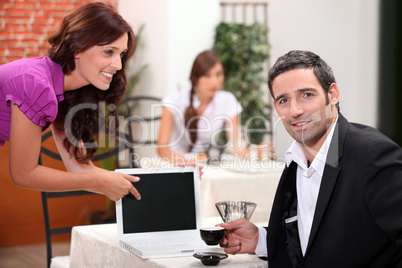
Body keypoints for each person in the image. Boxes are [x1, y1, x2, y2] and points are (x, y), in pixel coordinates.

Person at [218, 50, 402, 267]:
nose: (295, 110)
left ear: (332, 94)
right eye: (284, 100)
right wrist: (261, 240)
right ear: (277, 107)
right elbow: (313, 240)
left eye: (307, 95)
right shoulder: (295, 161)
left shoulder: (372, 154)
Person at [0, 3, 141, 202]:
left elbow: (79, 167)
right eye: (109, 52)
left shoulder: (67, 93)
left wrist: (176, 175)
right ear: (77, 48)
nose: (118, 65)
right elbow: (24, 174)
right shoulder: (35, 84)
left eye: (122, 54)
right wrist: (98, 182)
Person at [157, 50, 246, 163]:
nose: (214, 82)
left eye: (218, 74)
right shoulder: (174, 99)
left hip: (203, 165)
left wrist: (253, 153)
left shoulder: (227, 100)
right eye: (207, 75)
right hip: (173, 164)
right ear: (195, 78)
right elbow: (161, 147)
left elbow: (236, 143)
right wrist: (177, 160)